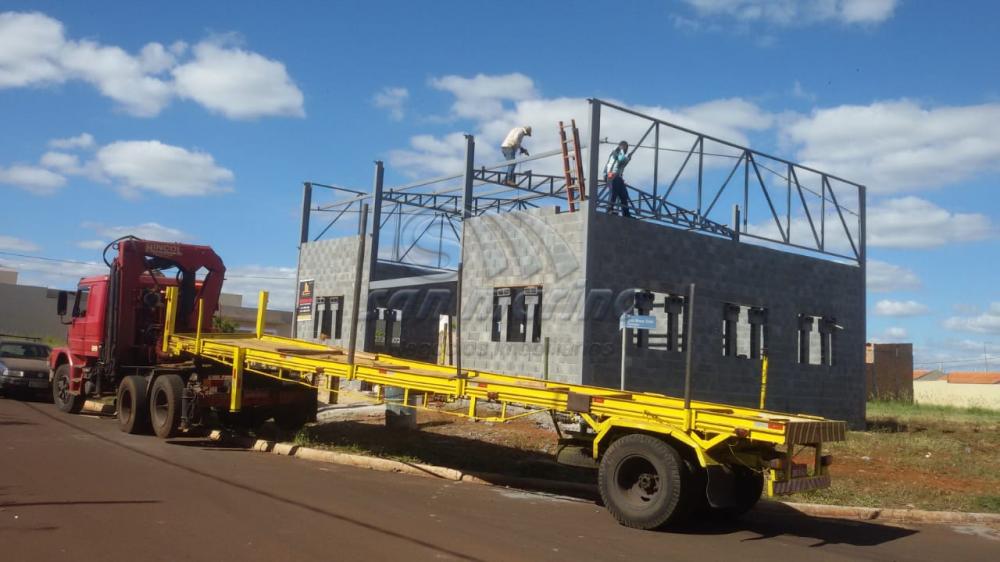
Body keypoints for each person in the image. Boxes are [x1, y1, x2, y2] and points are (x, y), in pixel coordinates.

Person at [605, 140, 631, 217]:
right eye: (625, 148)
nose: (626, 150)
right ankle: (609, 209)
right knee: (613, 192)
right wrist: (623, 151)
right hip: (612, 175)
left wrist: (628, 158)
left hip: (618, 177)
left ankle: (626, 213)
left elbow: (622, 163)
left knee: (624, 195)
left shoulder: (619, 154)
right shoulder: (615, 152)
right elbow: (621, 159)